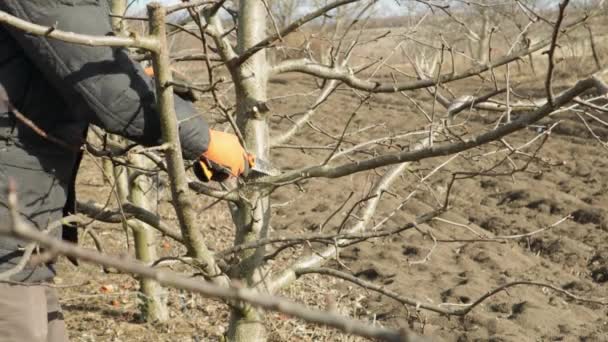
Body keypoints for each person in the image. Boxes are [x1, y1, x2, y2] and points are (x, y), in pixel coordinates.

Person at [0, 1, 248, 341]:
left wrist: (138, 78)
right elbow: (104, 84)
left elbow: (68, 55)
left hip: (25, 219)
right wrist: (202, 138)